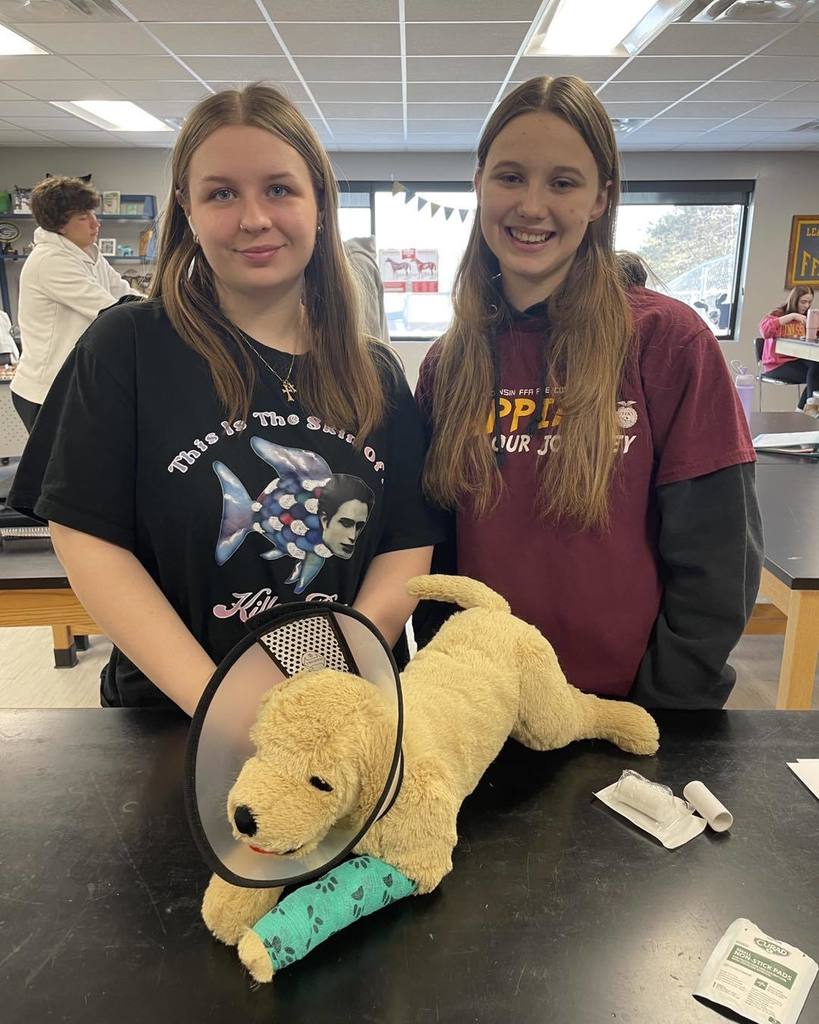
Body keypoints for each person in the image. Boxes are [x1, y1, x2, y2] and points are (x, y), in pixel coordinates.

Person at [9, 84, 441, 713]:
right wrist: (222, 706)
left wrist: (333, 674)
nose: (253, 218)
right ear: (185, 208)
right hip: (177, 716)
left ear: (320, 201)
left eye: (279, 188)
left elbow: (407, 542)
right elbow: (87, 537)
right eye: (221, 193)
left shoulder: (374, 369)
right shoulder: (125, 346)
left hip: (348, 710)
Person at [414, 75, 762, 710]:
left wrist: (663, 705)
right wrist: (454, 688)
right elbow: (437, 563)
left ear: (602, 198)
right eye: (510, 177)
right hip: (487, 709)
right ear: (479, 185)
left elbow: (719, 557)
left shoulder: (667, 341)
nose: (532, 206)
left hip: (636, 708)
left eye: (563, 183)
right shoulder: (449, 364)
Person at [10, 175, 140, 431]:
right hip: (45, 392)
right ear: (59, 225)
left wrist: (170, 304)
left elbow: (124, 293)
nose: (95, 223)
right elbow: (111, 311)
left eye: (93, 213)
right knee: (58, 470)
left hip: (74, 384)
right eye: (83, 217)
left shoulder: (89, 254)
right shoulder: (50, 261)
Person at [758, 286, 817, 409]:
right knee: (816, 375)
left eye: (809, 302)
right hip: (776, 365)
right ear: (794, 300)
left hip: (796, 361)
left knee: (816, 369)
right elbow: (765, 331)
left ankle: (806, 411)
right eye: (803, 302)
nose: (806, 306)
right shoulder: (776, 315)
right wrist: (791, 317)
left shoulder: (806, 319)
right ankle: (810, 411)